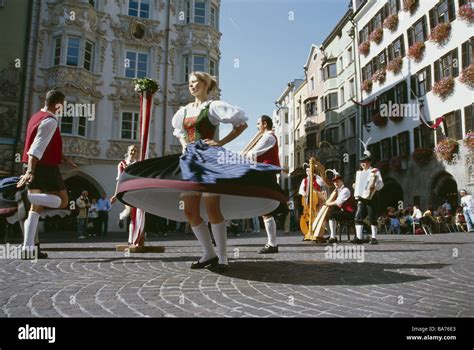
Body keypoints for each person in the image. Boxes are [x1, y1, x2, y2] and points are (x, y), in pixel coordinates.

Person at [115, 71, 286, 273]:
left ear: (206, 85)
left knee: (212, 208)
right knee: (189, 209)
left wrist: (220, 142)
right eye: (190, 82)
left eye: (196, 82)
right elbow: (179, 132)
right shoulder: (184, 111)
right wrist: (185, 144)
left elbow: (241, 124)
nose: (192, 85)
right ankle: (208, 253)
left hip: (209, 159)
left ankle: (222, 256)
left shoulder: (212, 106)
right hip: (190, 160)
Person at [16, 90, 76, 259]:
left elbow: (42, 143)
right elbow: (37, 148)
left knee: (34, 211)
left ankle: (28, 249)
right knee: (63, 201)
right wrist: (31, 171)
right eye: (62, 105)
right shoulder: (50, 121)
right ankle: (26, 197)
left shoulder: (36, 117)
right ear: (57, 104)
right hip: (44, 167)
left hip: (33, 165)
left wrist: (64, 158)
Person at [244, 115, 282, 254]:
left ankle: (272, 244)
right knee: (265, 209)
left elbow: (255, 153)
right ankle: (272, 243)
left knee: (266, 209)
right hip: (264, 173)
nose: (257, 126)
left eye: (258, 123)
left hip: (266, 173)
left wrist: (243, 154)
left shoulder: (268, 137)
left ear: (265, 124)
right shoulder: (267, 136)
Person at [352, 148, 384, 245]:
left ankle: (374, 238)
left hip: (371, 197)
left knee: (372, 217)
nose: (363, 163)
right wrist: (354, 186)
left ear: (369, 162)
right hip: (361, 197)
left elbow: (381, 184)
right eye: (361, 162)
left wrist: (374, 186)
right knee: (358, 216)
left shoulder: (375, 171)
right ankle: (358, 237)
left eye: (364, 162)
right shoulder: (359, 173)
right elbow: (357, 184)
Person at [111, 145, 138, 243]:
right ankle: (121, 216)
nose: (133, 152)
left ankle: (131, 239)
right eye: (131, 150)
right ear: (128, 151)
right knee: (129, 210)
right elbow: (119, 180)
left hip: (135, 191)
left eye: (135, 151)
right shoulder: (122, 164)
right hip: (125, 190)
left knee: (134, 217)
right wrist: (115, 194)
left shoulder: (138, 164)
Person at [324, 171, 355, 243]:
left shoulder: (345, 190)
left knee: (332, 215)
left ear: (341, 181)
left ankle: (333, 236)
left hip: (349, 212)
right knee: (330, 214)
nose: (335, 183)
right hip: (343, 211)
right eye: (334, 182)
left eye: (337, 181)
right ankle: (332, 235)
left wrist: (328, 203)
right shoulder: (337, 191)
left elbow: (338, 202)